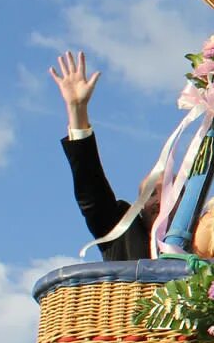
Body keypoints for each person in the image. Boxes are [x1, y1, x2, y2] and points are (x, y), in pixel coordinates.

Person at [50, 50, 153, 261]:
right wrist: (77, 110)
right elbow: (92, 192)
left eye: (171, 192)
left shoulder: (201, 238)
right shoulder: (122, 229)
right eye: (151, 194)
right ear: (140, 206)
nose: (161, 200)